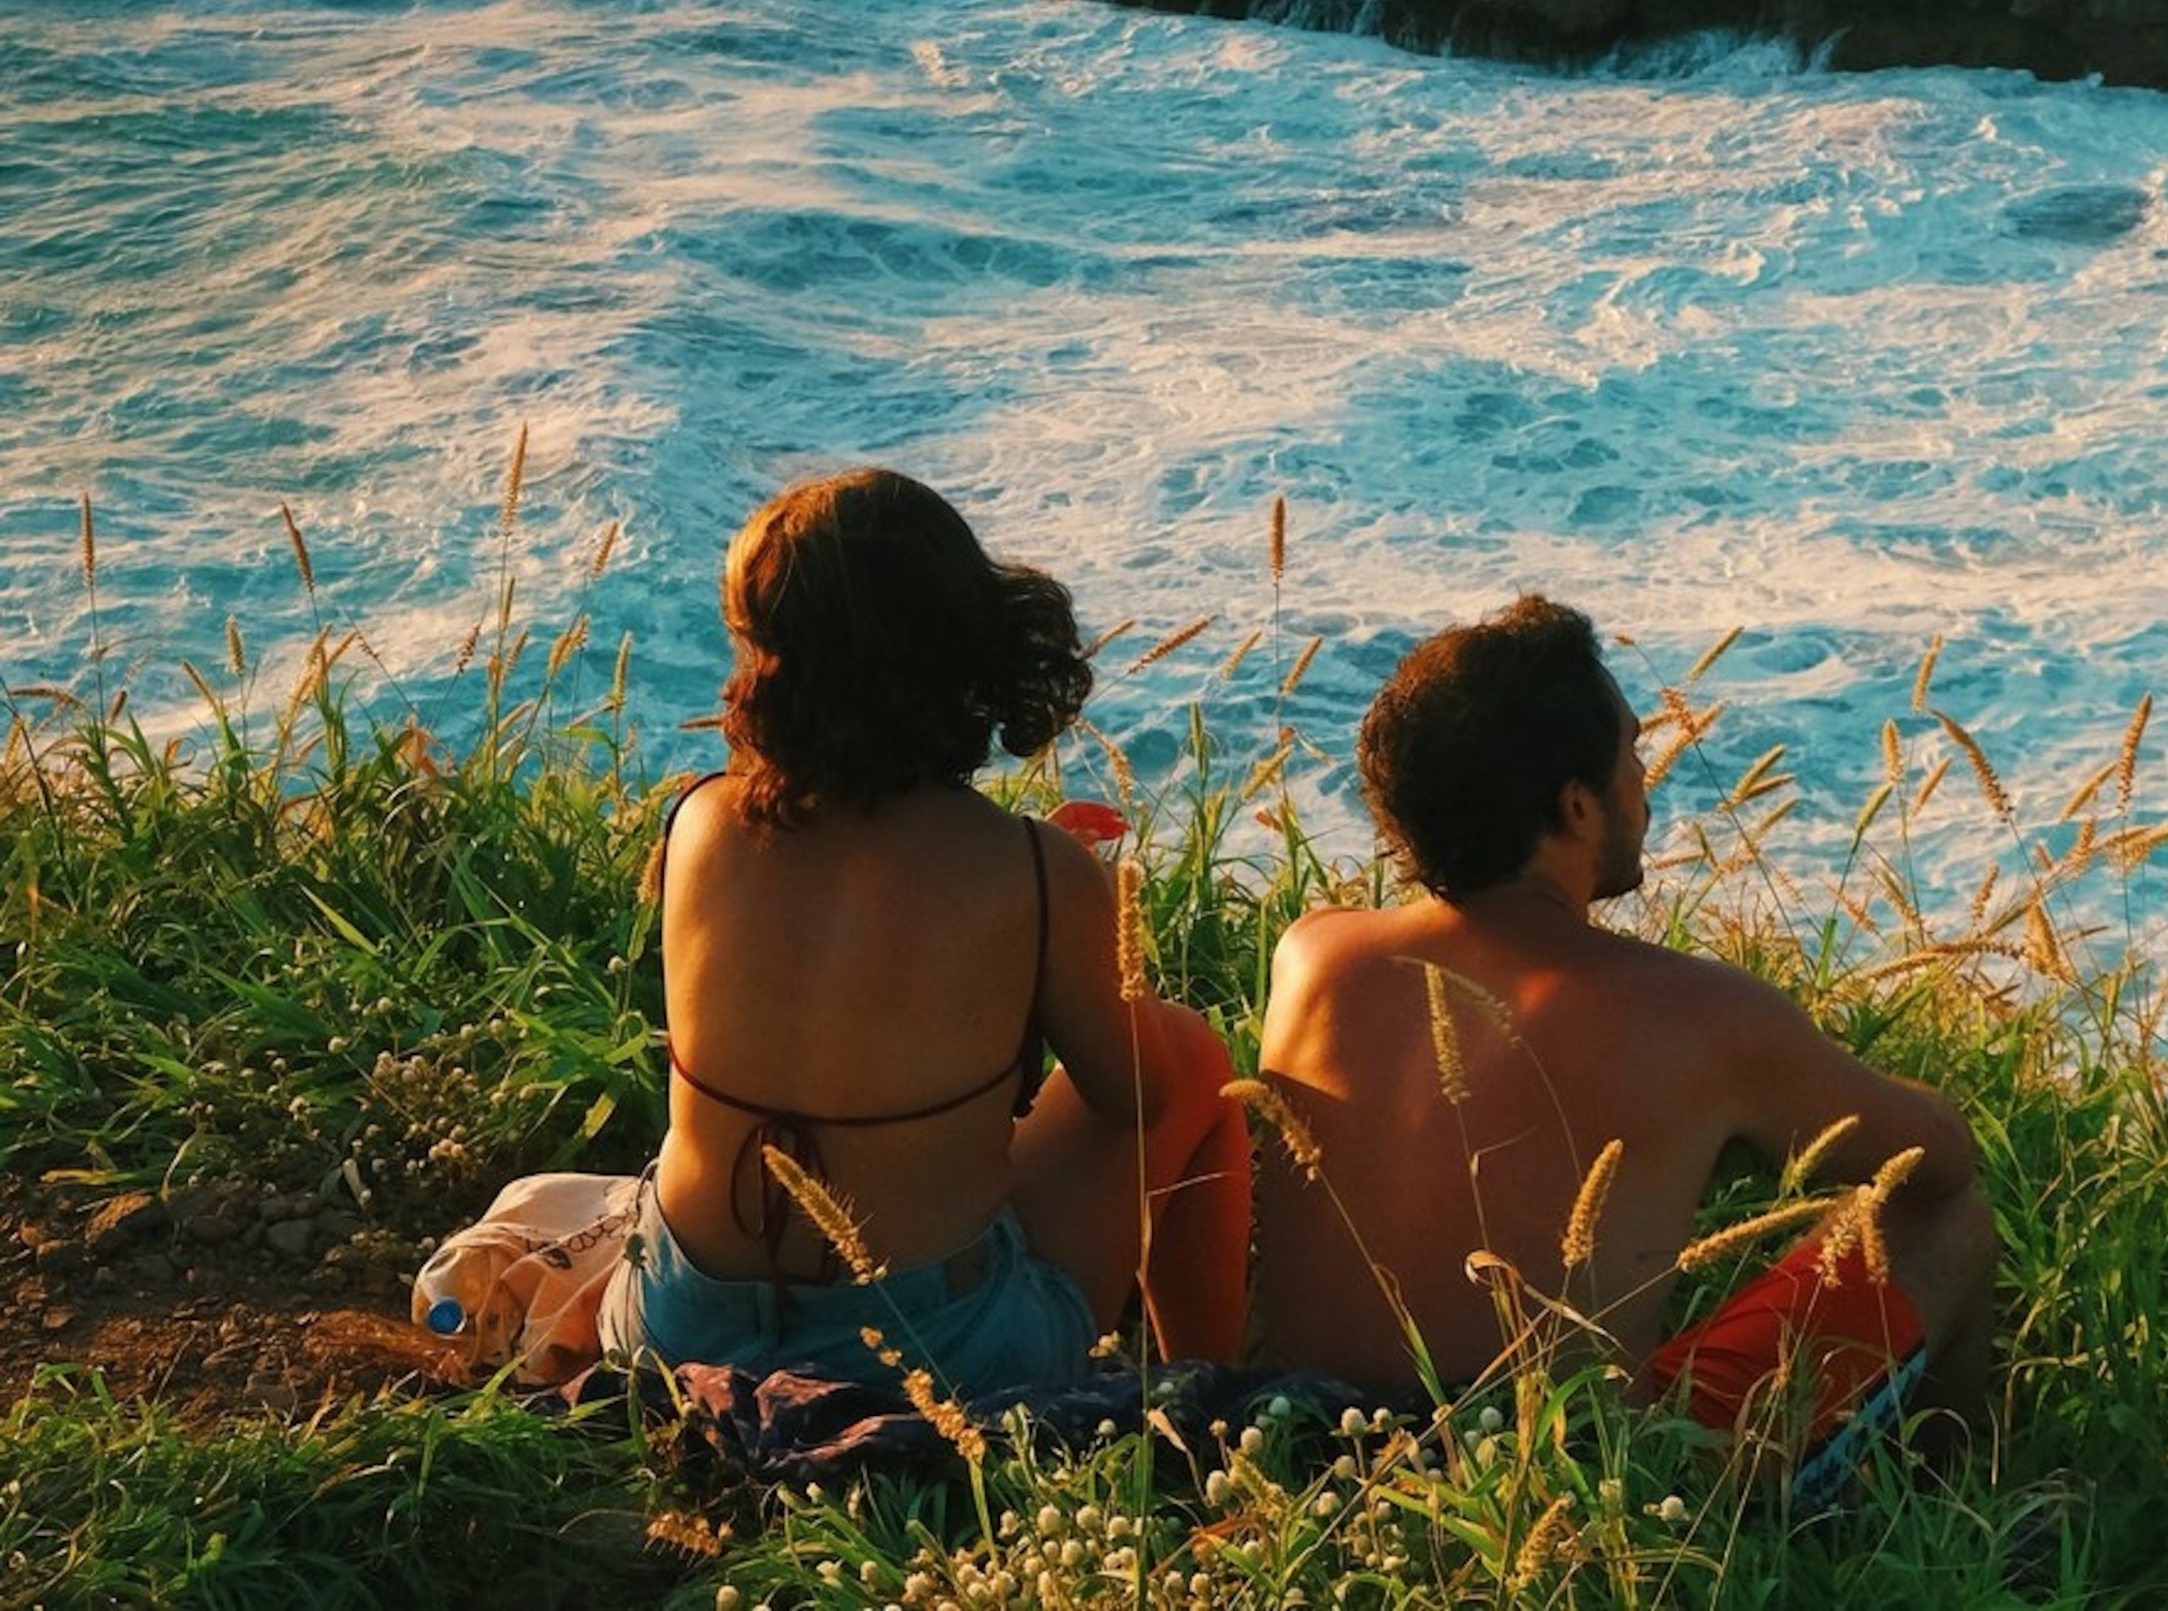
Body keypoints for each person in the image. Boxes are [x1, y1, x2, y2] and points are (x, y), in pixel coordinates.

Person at [1254, 595, 1995, 1485]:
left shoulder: (1316, 954)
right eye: (1634, 755)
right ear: (1575, 807)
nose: (1646, 781)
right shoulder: (1697, 1013)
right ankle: (1944, 1509)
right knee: (1941, 1222)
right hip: (1566, 1491)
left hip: (1291, 1457)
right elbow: (1937, 1162)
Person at [601, 467, 1251, 1395]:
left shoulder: (700, 819)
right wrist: (1067, 912)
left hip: (671, 1332)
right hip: (937, 1362)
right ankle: (1210, 1388)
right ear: (963, 645)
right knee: (1192, 1059)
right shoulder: (1030, 870)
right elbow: (1137, 1098)